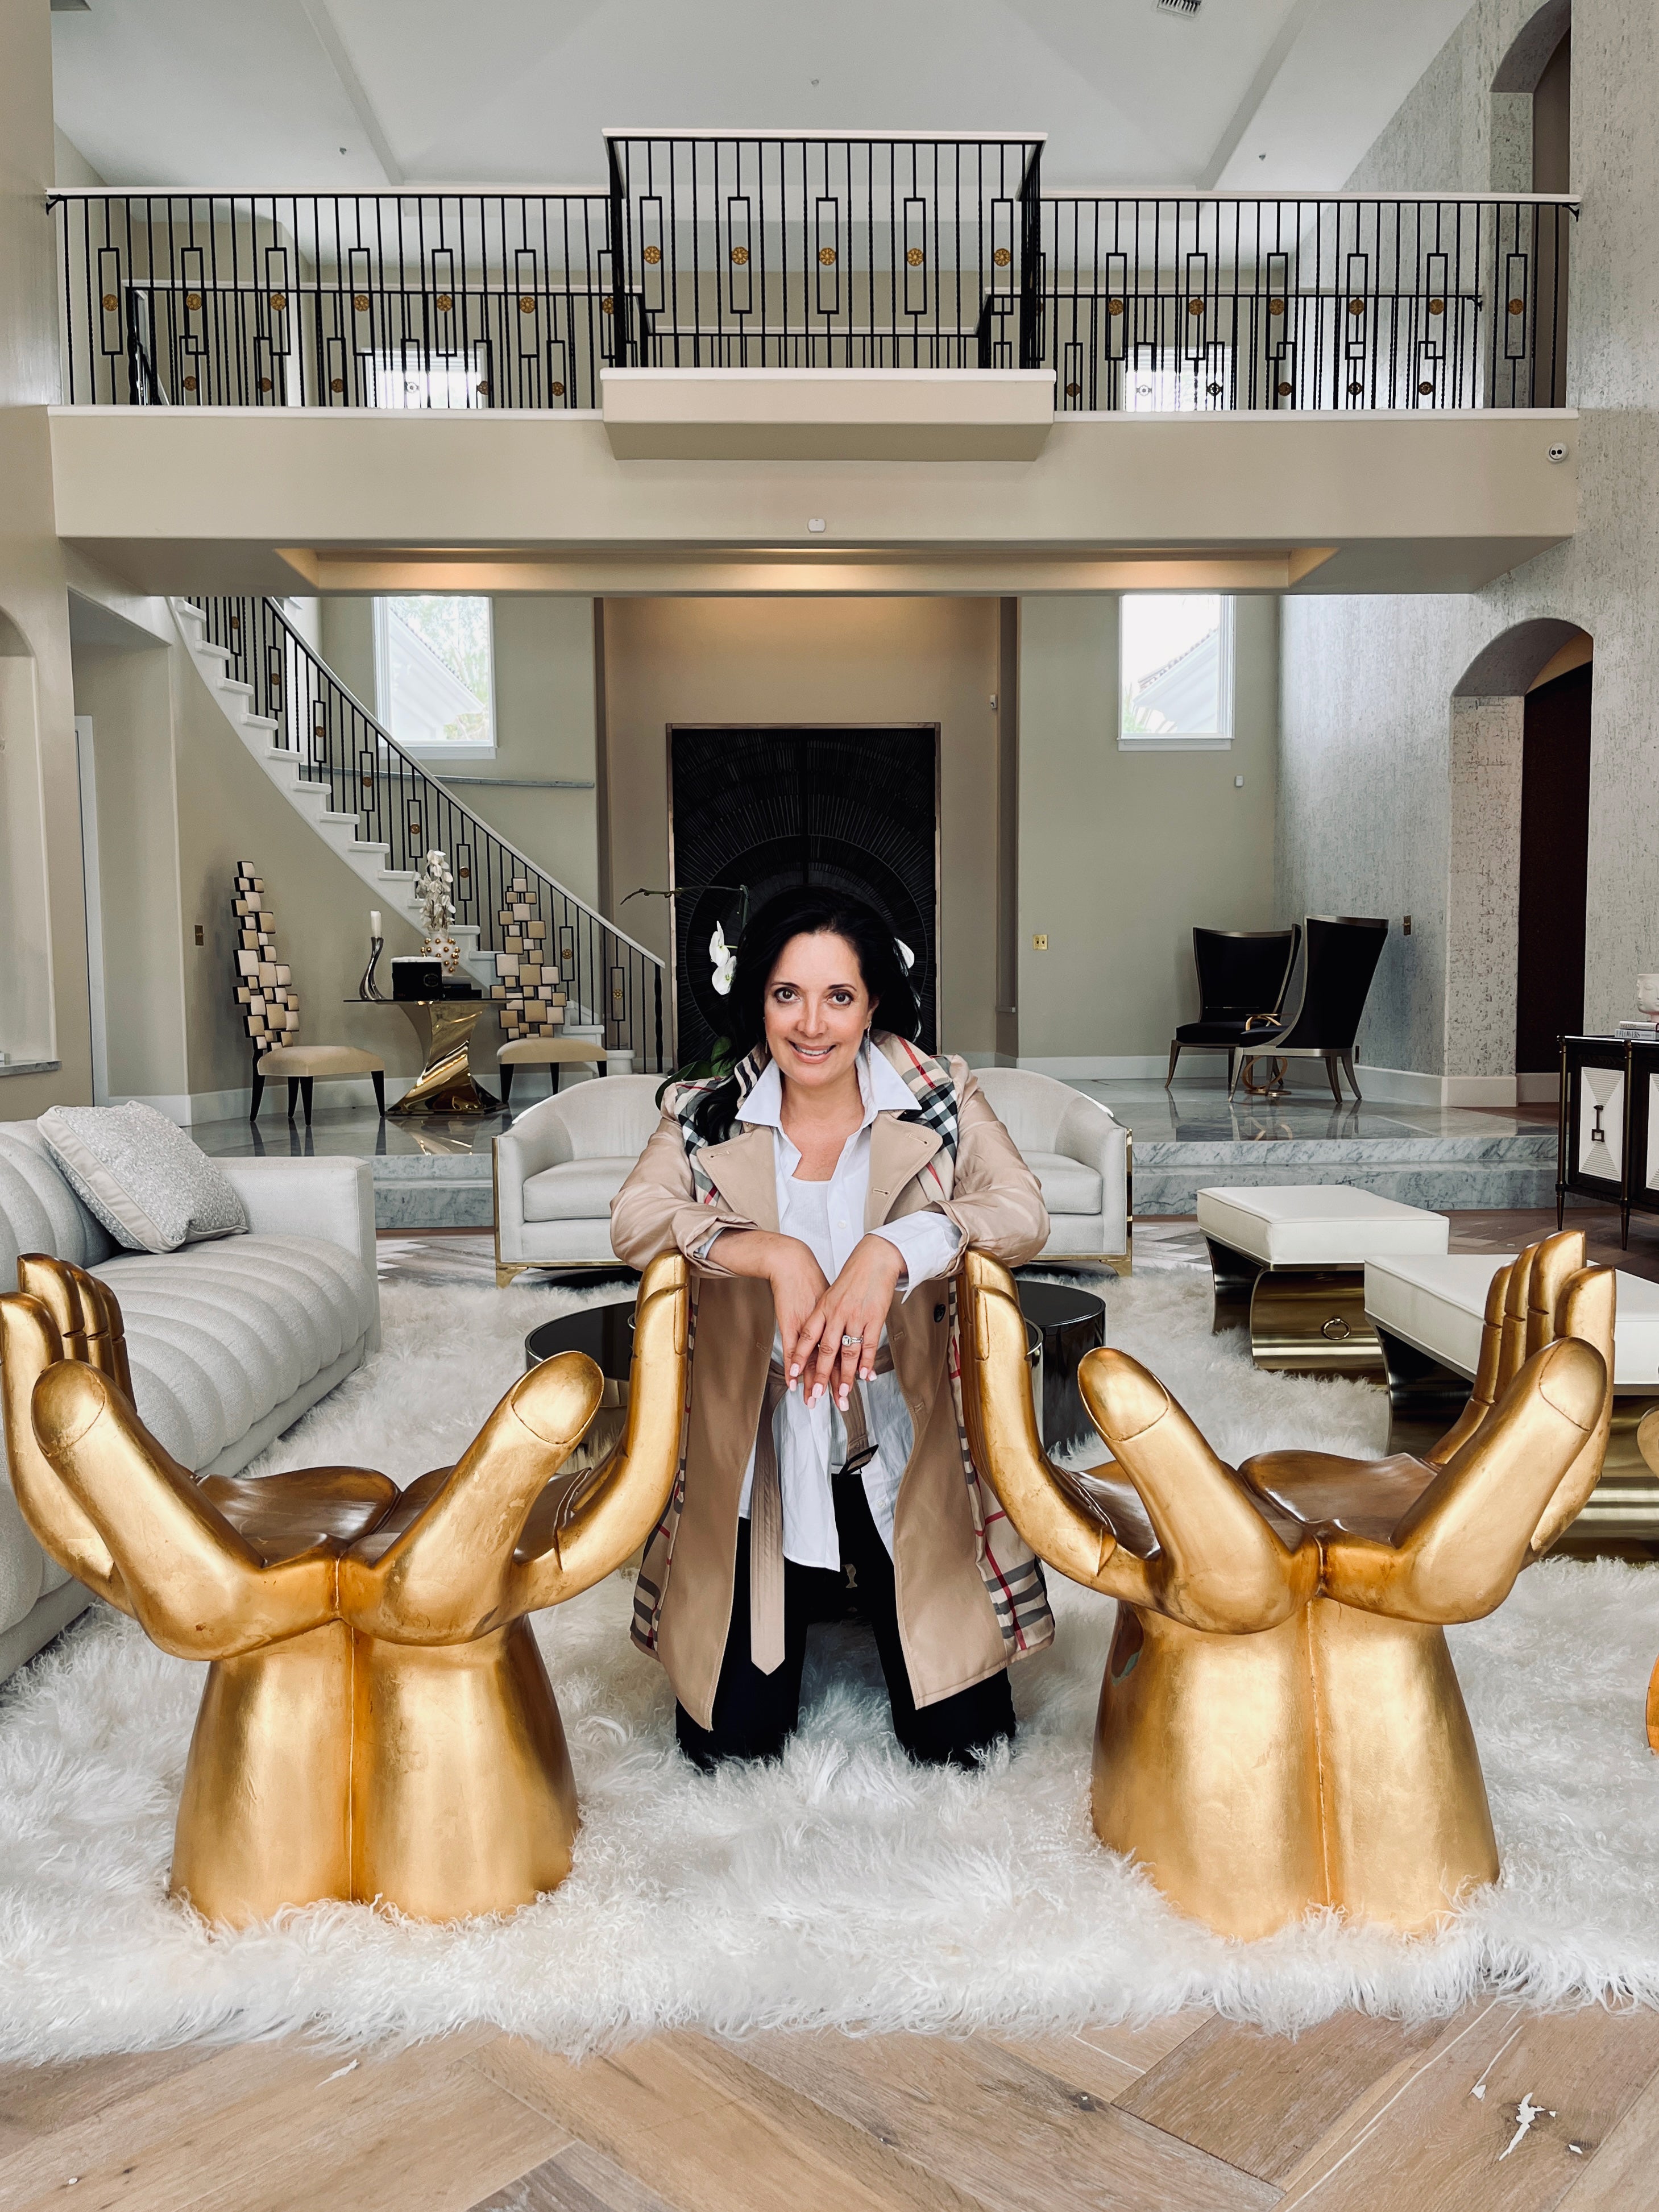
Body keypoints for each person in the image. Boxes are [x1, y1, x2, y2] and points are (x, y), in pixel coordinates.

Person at [611, 886, 1054, 1770]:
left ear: (872, 1001)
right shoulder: (703, 1107)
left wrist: (892, 1247)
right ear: (759, 1000)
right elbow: (634, 1219)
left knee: (965, 1747)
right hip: (767, 1453)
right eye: (787, 994)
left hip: (903, 1446)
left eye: (838, 996)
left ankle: (871, 1580)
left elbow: (1021, 1211)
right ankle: (813, 1587)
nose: (810, 1025)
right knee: (729, 1752)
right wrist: (768, 1252)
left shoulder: (937, 1090)